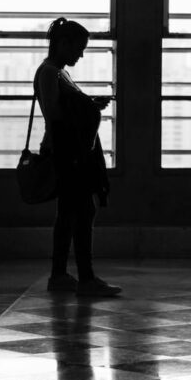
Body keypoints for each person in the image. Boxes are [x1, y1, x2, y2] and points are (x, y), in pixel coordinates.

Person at [36, 17, 120, 296]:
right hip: (67, 154)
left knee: (69, 214)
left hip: (69, 153)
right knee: (82, 212)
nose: (81, 54)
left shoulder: (57, 71)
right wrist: (86, 105)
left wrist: (87, 103)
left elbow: (66, 107)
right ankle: (85, 279)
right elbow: (55, 114)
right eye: (79, 48)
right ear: (63, 44)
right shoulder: (50, 73)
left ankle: (60, 275)